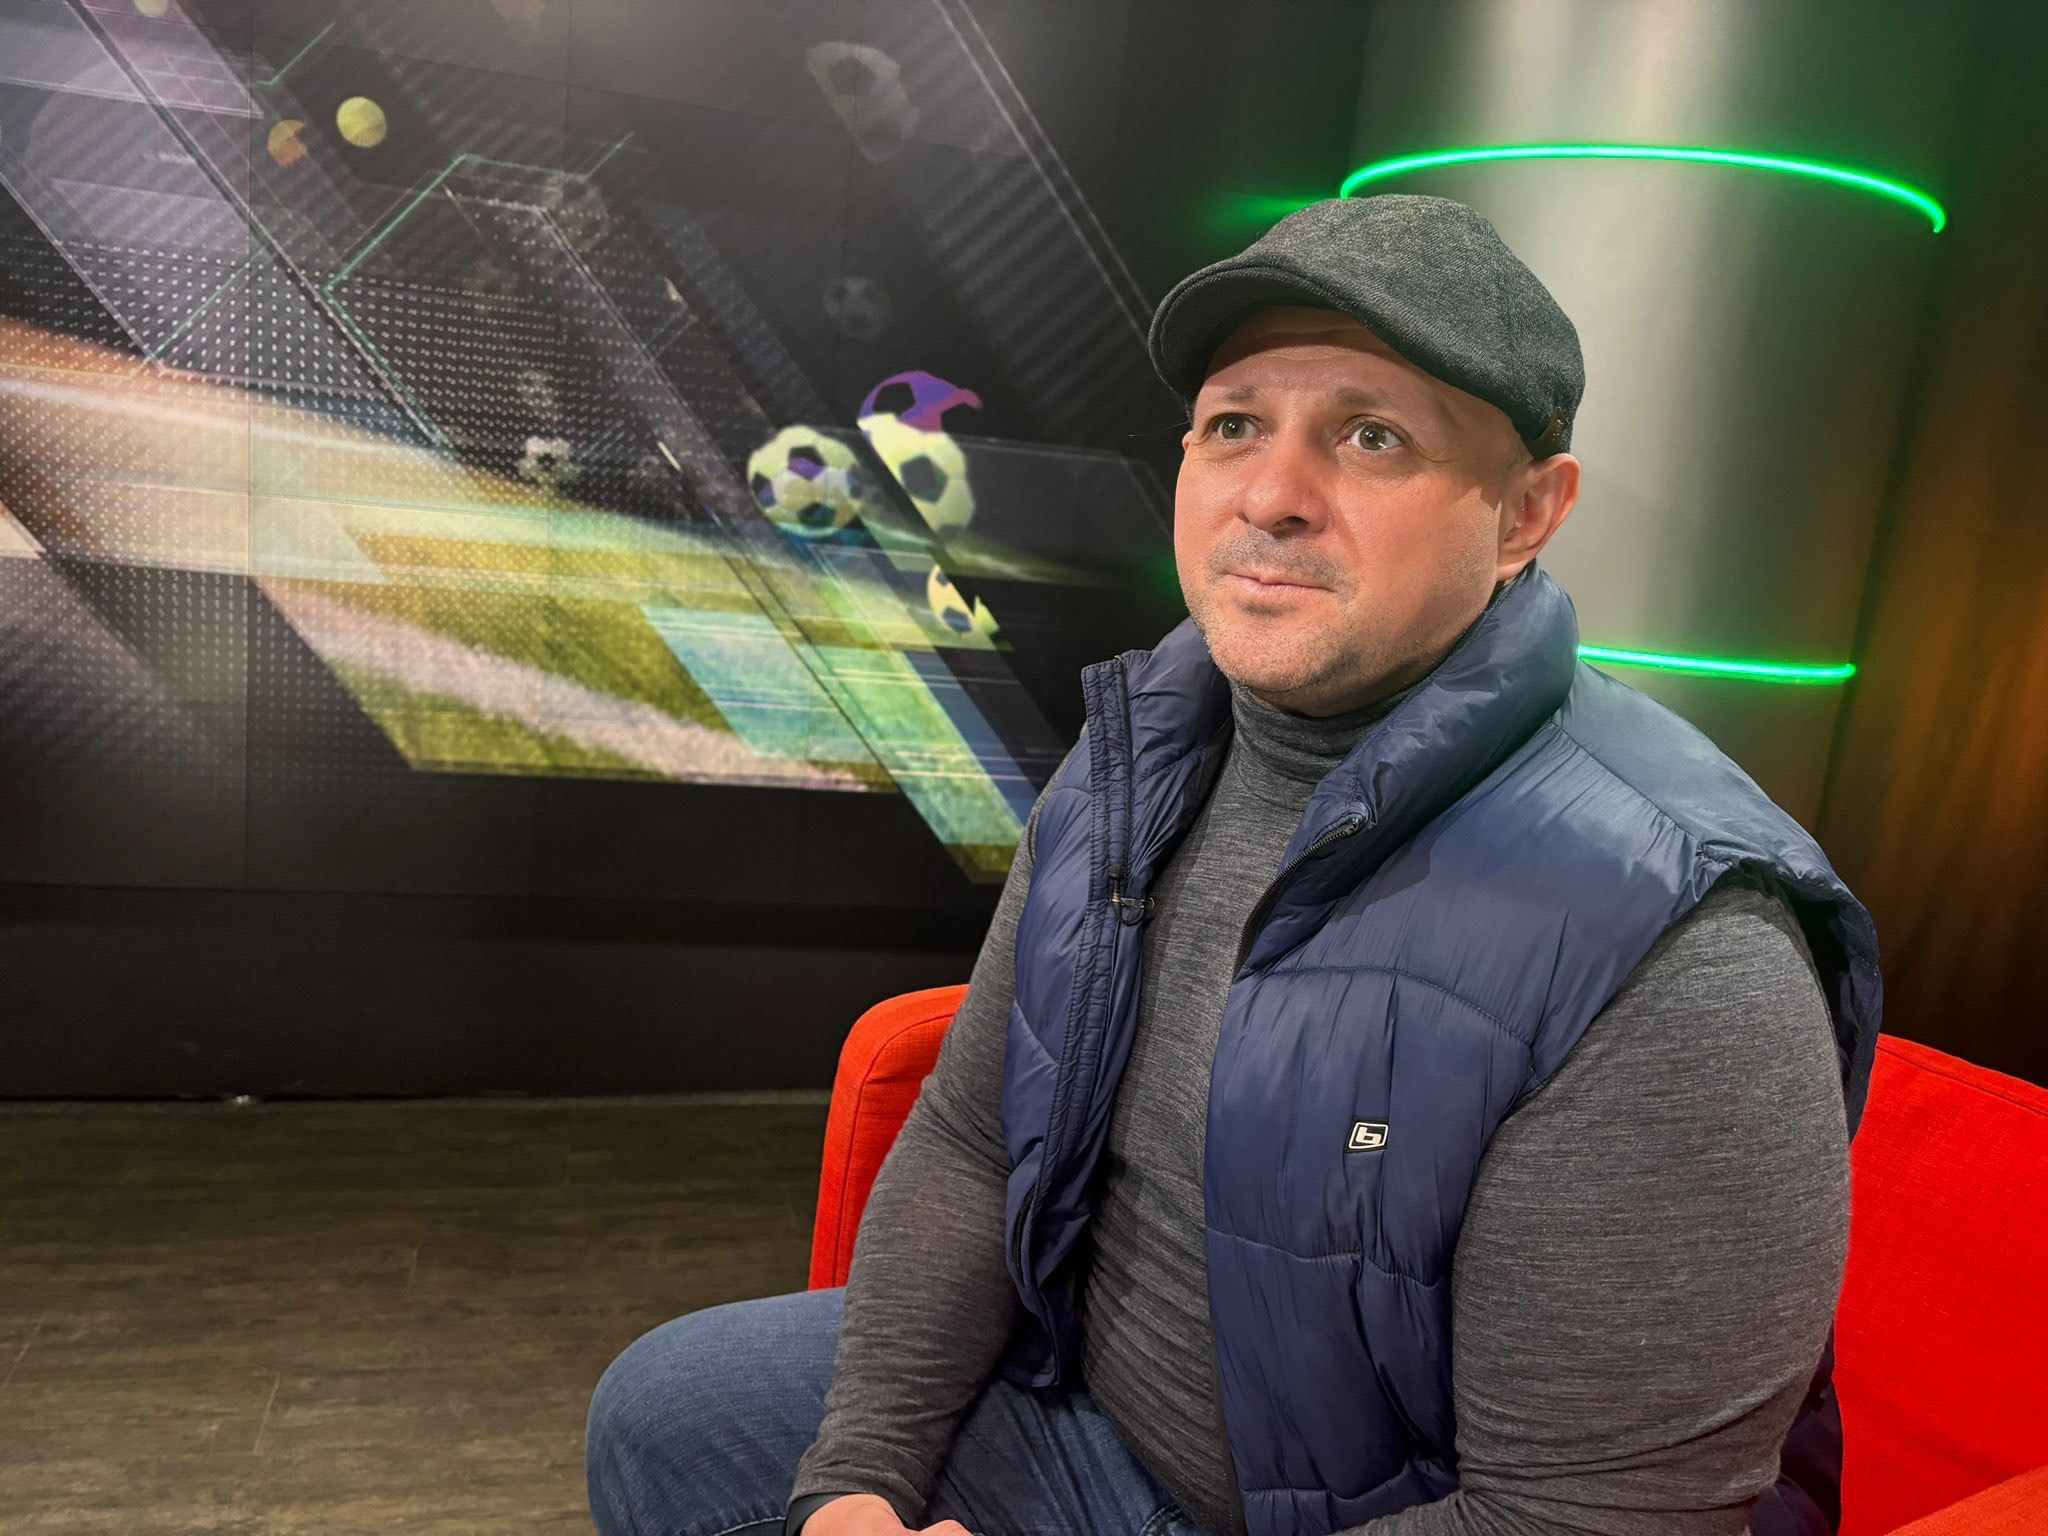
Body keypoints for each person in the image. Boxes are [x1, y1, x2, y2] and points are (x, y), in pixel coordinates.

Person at [586, 194, 1882, 1536]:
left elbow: (1582, 1523)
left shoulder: (1677, 942)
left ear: (1524, 515)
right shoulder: (1144, 744)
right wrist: (862, 1479)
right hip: (1086, 1403)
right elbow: (973, 1137)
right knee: (667, 1414)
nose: (1269, 498)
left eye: (1372, 437)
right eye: (1234, 426)